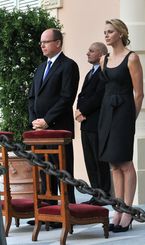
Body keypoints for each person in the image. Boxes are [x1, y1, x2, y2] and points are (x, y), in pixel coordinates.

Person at [98, 19, 144, 233]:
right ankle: (117, 208)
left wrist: (130, 119)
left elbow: (139, 93)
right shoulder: (103, 59)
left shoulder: (132, 57)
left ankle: (128, 212)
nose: (106, 35)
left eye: (110, 32)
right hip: (107, 113)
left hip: (124, 113)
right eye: (105, 32)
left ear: (121, 33)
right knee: (113, 164)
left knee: (125, 163)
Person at [28, 28, 80, 206]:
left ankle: (68, 209)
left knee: (63, 171)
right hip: (39, 130)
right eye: (41, 42)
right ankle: (46, 211)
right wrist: (34, 120)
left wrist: (47, 120)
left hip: (58, 128)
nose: (42, 45)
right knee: (44, 171)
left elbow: (67, 97)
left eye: (46, 41)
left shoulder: (68, 65)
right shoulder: (41, 67)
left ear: (57, 43)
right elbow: (32, 97)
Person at [75, 42, 111, 205]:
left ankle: (104, 193)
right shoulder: (90, 73)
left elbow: (99, 96)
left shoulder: (104, 72)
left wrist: (83, 111)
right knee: (90, 160)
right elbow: (82, 95)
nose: (87, 53)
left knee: (99, 160)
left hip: (96, 122)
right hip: (86, 124)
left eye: (91, 51)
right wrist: (77, 110)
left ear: (101, 54)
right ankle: (95, 193)